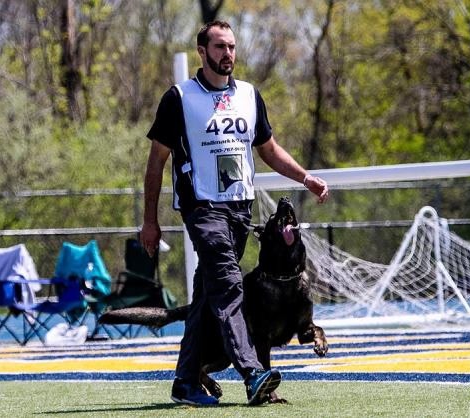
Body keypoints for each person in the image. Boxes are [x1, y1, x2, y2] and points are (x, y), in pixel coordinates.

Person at [141, 20, 329, 406]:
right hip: (202, 208)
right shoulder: (179, 98)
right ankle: (252, 372)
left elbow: (269, 149)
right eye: (219, 47)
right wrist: (150, 220)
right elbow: (156, 162)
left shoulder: (248, 95)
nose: (227, 53)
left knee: (205, 299)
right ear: (202, 52)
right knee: (229, 287)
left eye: (231, 46)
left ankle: (185, 382)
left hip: (240, 211)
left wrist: (305, 177)